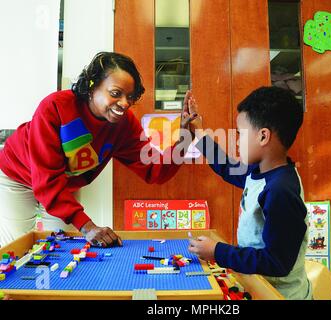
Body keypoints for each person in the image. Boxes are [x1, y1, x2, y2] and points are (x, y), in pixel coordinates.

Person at [0, 52, 195, 248]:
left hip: (62, 185)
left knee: (60, 249)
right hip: (17, 177)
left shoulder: (124, 125)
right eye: (116, 93)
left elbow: (154, 170)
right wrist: (87, 226)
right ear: (92, 86)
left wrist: (183, 141)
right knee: (17, 250)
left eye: (130, 97)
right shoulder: (55, 107)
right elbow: (46, 181)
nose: (125, 103)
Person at [187, 86, 312, 299]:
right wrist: (198, 132)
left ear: (263, 136)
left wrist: (217, 251)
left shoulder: (280, 191)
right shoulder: (260, 172)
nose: (236, 141)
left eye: (240, 134)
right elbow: (226, 166)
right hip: (258, 286)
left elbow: (277, 262)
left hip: (279, 295)